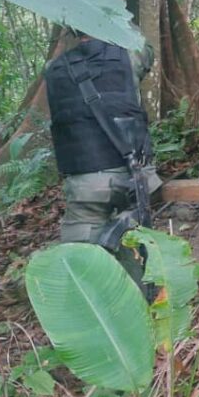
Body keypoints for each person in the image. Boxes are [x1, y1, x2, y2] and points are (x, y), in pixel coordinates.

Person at [43, 26, 161, 287]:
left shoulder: (53, 69)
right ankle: (140, 296)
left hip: (85, 185)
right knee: (135, 249)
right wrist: (118, 18)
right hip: (133, 175)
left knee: (84, 267)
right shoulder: (129, 55)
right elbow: (146, 49)